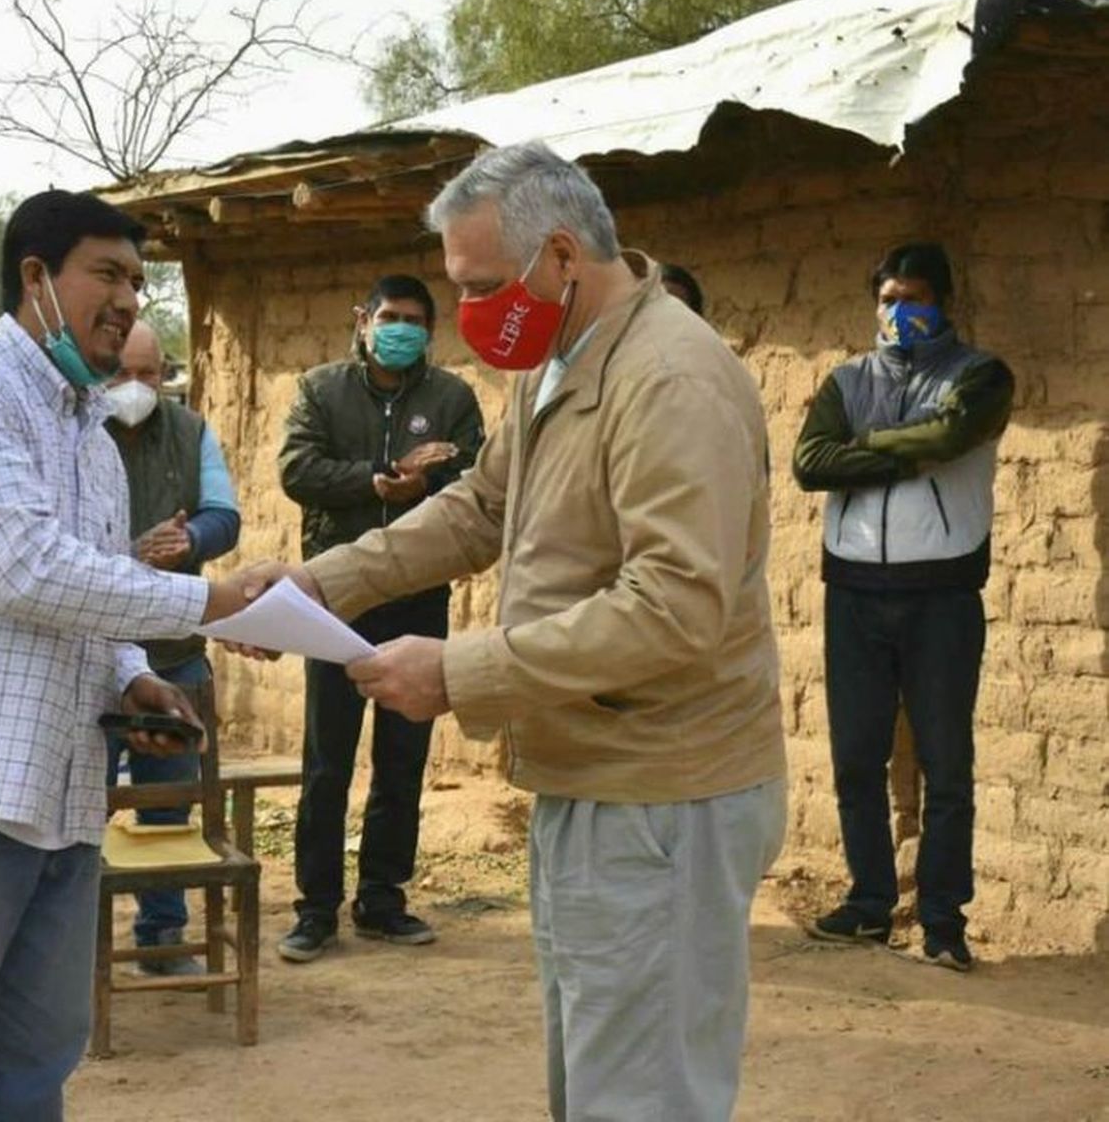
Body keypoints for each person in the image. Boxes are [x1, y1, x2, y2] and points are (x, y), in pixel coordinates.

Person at [237, 142, 787, 1120]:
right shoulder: (555, 365)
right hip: (593, 769)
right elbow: (480, 509)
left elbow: (677, 606)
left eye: (484, 285)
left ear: (563, 256)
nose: (473, 311)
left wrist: (461, 672)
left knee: (642, 1095)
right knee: (599, 1082)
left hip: (662, 792)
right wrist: (321, 583)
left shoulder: (670, 378)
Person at [0, 190, 259, 1120]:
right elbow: (25, 571)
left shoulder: (92, 443)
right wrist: (211, 599)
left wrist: (136, 677)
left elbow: (89, 600)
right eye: (105, 275)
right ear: (36, 277)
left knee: (28, 1083)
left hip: (62, 798)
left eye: (136, 282)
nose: (127, 302)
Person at [793, 242, 1013, 973]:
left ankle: (944, 921)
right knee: (857, 758)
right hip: (853, 589)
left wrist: (867, 447)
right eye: (888, 299)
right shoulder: (847, 379)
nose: (899, 312)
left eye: (913, 298)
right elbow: (809, 463)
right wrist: (903, 452)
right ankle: (867, 904)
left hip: (942, 594)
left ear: (942, 302)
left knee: (947, 765)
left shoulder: (980, 375)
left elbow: (954, 433)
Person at [275, 273, 484, 962]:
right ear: (363, 319)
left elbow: (480, 484)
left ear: (432, 328)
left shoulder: (451, 398)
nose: (400, 329)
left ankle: (383, 900)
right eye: (389, 316)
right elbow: (298, 470)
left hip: (420, 597)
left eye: (415, 320)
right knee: (327, 759)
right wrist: (375, 476)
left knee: (403, 757)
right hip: (339, 597)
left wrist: (431, 484)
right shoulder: (321, 389)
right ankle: (315, 908)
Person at [104, 319, 242, 975]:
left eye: (148, 374)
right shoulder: (75, 432)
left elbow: (223, 513)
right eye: (121, 374)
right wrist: (125, 553)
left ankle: (163, 935)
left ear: (165, 374)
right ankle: (72, 943)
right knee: (78, 805)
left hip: (172, 648)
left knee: (171, 800)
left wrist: (188, 543)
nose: (134, 387)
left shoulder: (190, 432)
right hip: (91, 650)